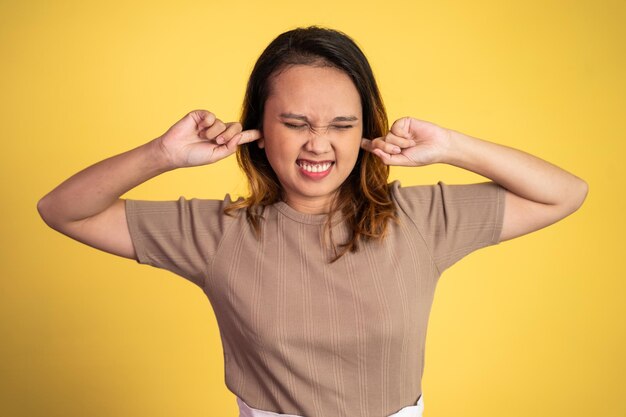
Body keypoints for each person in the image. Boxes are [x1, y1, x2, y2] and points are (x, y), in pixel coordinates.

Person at [37, 26, 588, 417]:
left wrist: (452, 146)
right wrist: (162, 153)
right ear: (258, 128)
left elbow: (564, 194)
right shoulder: (217, 234)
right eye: (296, 122)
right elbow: (61, 210)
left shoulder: (419, 220)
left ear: (363, 131)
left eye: (343, 125)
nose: (318, 144)